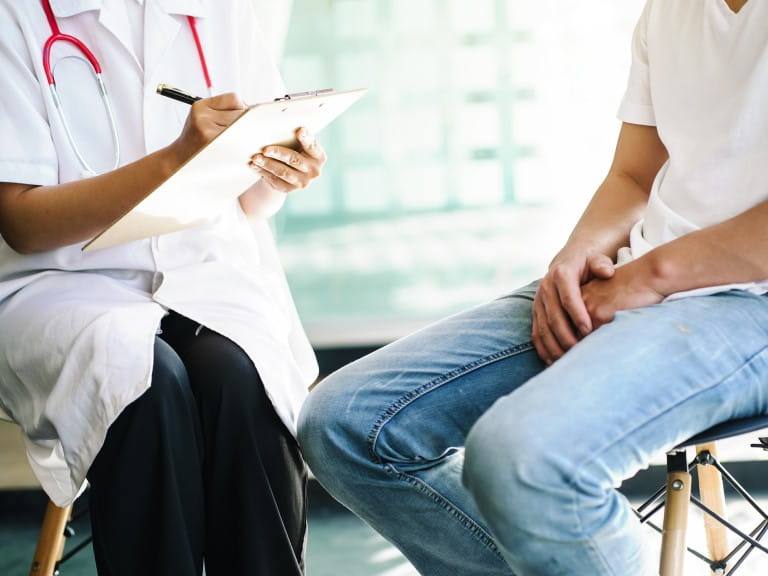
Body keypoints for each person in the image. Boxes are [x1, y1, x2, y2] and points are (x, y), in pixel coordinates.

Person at [297, 0, 768, 574]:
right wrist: (578, 256)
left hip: (749, 300)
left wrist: (650, 277)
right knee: (347, 423)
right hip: (638, 274)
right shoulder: (669, 9)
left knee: (526, 459)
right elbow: (635, 175)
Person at [0, 1, 325, 575]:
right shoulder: (17, 15)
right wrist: (174, 159)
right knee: (143, 382)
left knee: (241, 380)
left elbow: (253, 203)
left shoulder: (220, 10)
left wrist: (282, 168)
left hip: (203, 274)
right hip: (61, 284)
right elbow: (23, 224)